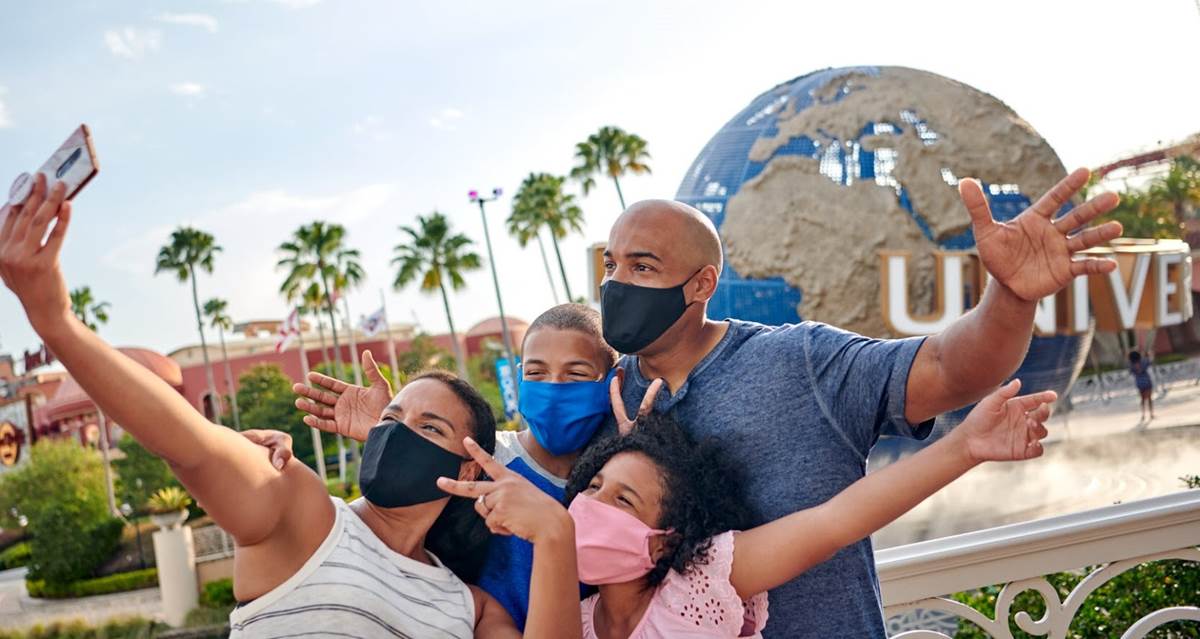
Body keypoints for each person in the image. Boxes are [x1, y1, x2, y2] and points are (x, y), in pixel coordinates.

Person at [0, 174, 581, 638]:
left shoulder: (469, 606)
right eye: (390, 420)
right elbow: (188, 443)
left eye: (429, 427)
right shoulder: (304, 513)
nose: (396, 435)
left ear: (470, 469)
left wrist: (556, 534)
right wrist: (57, 322)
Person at [599, 169, 1122, 636]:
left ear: (703, 284)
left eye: (642, 267)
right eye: (610, 265)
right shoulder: (603, 396)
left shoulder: (800, 361)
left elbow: (950, 369)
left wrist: (1011, 295)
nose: (617, 283)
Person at [439, 379, 1056, 638]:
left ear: (665, 538)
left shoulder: (701, 581)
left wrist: (963, 447)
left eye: (623, 498)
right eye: (592, 487)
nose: (591, 506)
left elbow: (835, 521)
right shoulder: (571, 619)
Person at [262, 302, 662, 629]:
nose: (554, 387)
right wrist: (394, 430)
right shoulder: (478, 459)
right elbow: (378, 519)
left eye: (575, 374)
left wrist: (638, 454)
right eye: (537, 373)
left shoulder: (612, 485)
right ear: (520, 377)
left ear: (613, 380)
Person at [1128, 350, 1155, 420]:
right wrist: (1149, 354)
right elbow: (1150, 361)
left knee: (1142, 399)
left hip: (1139, 382)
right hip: (1147, 381)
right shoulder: (1143, 362)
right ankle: (1151, 414)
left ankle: (1143, 414)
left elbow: (1130, 372)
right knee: (1149, 398)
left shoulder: (1131, 365)